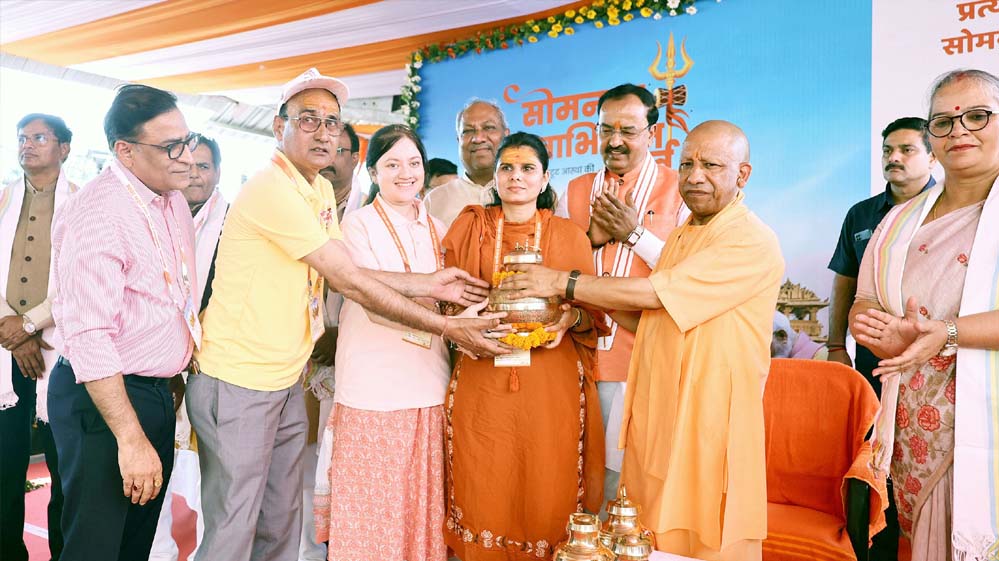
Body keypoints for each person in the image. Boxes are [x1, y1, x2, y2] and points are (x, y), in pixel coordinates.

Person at [187, 68, 505, 561]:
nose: (322, 132)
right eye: (308, 119)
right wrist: (448, 325)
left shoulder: (314, 188)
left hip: (284, 377)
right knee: (233, 527)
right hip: (239, 378)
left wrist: (430, 283)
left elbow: (348, 272)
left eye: (331, 122)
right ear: (279, 126)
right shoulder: (273, 188)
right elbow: (351, 282)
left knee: (279, 522)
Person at [503, 120, 784, 560]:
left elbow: (655, 293)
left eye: (711, 166)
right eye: (687, 164)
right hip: (661, 415)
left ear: (742, 174)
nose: (695, 176)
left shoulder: (749, 240)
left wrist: (563, 281)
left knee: (703, 538)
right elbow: (650, 318)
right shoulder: (685, 234)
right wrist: (577, 304)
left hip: (709, 418)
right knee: (644, 535)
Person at [850, 68, 999, 561]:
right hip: (914, 424)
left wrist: (948, 332)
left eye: (977, 116)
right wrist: (878, 331)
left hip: (987, 424)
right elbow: (865, 300)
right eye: (943, 122)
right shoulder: (900, 219)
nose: (959, 131)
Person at [48, 84, 199, 561]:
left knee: (134, 544)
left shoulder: (171, 199)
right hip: (105, 399)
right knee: (95, 547)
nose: (187, 157)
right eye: (171, 146)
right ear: (125, 151)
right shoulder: (97, 211)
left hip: (152, 393)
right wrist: (130, 438)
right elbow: (90, 335)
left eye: (188, 140)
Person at [442, 131, 607, 561]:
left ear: (545, 178)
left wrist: (567, 320)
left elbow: (592, 316)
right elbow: (444, 300)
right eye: (507, 168)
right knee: (484, 473)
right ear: (495, 176)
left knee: (547, 475)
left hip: (550, 381)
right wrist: (466, 319)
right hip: (483, 373)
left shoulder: (568, 235)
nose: (516, 176)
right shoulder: (471, 225)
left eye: (527, 168)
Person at [314, 124, 453, 561]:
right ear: (373, 172)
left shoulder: (440, 228)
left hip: (430, 386)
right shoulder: (355, 225)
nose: (405, 173)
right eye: (392, 164)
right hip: (373, 391)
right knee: (372, 518)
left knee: (419, 517)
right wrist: (447, 320)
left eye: (413, 163)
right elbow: (373, 302)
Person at [555, 83, 685, 506]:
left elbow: (688, 274)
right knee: (574, 471)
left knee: (629, 482)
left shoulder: (679, 189)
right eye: (605, 129)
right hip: (574, 356)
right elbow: (554, 267)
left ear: (652, 132)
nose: (615, 141)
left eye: (628, 130)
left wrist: (634, 233)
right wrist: (591, 238)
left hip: (643, 358)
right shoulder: (575, 190)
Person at [0, 113, 77, 561]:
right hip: (7, 349)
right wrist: (12, 327)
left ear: (64, 148)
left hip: (60, 349)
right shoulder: (4, 198)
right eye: (22, 138)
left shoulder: (82, 203)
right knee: (5, 465)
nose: (27, 145)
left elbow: (80, 281)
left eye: (40, 138)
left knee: (64, 468)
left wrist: (30, 326)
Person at [149, 135, 226, 561]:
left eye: (204, 166)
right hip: (156, 363)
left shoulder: (233, 222)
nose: (194, 174)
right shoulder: (156, 215)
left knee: (210, 475)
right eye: (188, 165)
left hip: (210, 366)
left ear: (219, 173)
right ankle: (157, 552)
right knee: (155, 467)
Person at [828, 117, 937, 395]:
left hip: (936, 349)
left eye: (907, 150)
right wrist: (836, 346)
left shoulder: (953, 211)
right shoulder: (861, 214)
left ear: (932, 157)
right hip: (874, 351)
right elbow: (845, 280)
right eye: (887, 151)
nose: (894, 158)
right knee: (873, 419)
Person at [423, 100, 509, 226]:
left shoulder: (529, 193)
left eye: (488, 128)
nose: (478, 138)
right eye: (468, 131)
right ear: (459, 140)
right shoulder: (434, 201)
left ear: (506, 135)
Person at [319, 122, 360, 219]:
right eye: (322, 150)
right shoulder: (297, 197)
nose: (328, 158)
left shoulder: (366, 205)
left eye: (337, 150)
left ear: (354, 159)